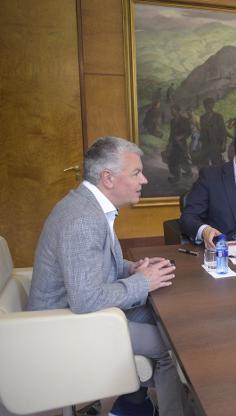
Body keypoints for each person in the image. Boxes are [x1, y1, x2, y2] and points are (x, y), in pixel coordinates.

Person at [27, 137, 191, 415]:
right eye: (136, 173)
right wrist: (143, 281)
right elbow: (85, 299)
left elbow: (91, 267)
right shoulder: (83, 219)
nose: (145, 180)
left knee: (171, 321)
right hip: (62, 328)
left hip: (76, 314)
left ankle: (136, 404)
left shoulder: (87, 205)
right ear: (108, 178)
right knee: (173, 345)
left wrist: (130, 268)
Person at [166, 104, 193, 183]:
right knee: (172, 160)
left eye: (172, 110)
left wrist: (181, 137)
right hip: (173, 144)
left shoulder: (185, 120)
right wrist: (169, 143)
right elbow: (171, 134)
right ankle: (176, 177)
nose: (171, 111)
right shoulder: (172, 121)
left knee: (183, 159)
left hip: (181, 144)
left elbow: (189, 132)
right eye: (171, 110)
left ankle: (189, 172)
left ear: (177, 110)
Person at [198, 97, 226, 167]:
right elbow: (202, 131)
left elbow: (223, 130)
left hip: (215, 143)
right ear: (204, 106)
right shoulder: (202, 117)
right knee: (204, 162)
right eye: (206, 105)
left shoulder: (218, 117)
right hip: (205, 143)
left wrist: (223, 143)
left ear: (213, 105)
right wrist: (200, 142)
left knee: (216, 162)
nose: (208, 106)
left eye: (210, 104)